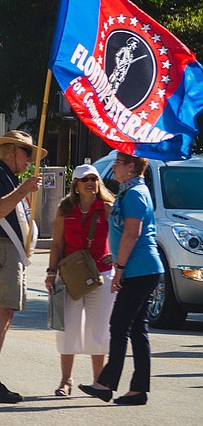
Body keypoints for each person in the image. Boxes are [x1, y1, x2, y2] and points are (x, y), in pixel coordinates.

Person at [79, 152, 164, 406]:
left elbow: (132, 232)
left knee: (119, 324)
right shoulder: (129, 191)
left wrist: (120, 268)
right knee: (137, 329)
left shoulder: (137, 193)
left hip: (140, 269)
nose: (113, 167)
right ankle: (137, 390)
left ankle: (106, 384)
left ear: (131, 168)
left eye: (118, 163)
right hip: (138, 268)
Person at [0, 130, 45, 403]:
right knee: (0, 314)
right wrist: (23, 190)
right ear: (12, 151)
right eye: (27, 153)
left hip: (7, 251)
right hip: (0, 251)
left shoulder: (6, 178)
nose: (30, 160)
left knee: (4, 314)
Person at [45, 164, 115, 396]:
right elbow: (57, 243)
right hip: (70, 276)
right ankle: (66, 381)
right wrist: (51, 272)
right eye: (85, 179)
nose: (90, 183)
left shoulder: (107, 207)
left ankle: (99, 381)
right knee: (68, 328)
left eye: (94, 179)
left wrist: (115, 254)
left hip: (102, 275)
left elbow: (124, 234)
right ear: (75, 184)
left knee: (99, 329)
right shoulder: (65, 209)